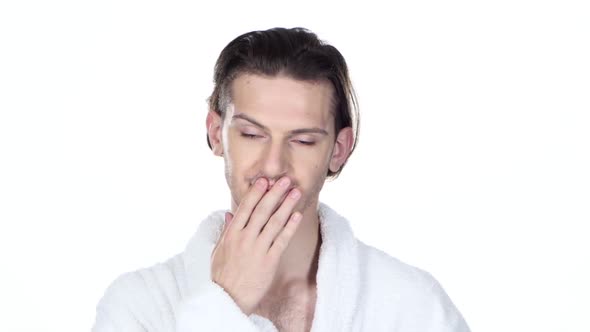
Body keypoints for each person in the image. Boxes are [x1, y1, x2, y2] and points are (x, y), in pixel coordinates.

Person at [92, 27, 471, 332]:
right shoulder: (138, 307)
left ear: (338, 149)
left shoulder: (413, 306)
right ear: (215, 131)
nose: (274, 166)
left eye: (303, 140)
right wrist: (222, 304)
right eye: (252, 135)